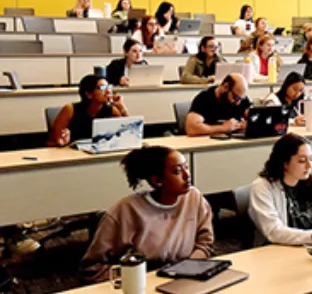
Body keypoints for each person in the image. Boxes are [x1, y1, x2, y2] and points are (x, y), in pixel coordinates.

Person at [80, 147, 214, 281]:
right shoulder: (126, 210)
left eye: (186, 167)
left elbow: (205, 244)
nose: (187, 175)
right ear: (157, 181)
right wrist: (136, 278)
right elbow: (91, 268)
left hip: (184, 277)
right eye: (177, 171)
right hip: (139, 280)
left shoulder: (194, 198)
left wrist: (186, 270)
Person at [248, 134, 312, 246]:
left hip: (310, 245)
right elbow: (273, 231)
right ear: (285, 163)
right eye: (302, 160)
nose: (309, 165)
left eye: (310, 159)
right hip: (276, 248)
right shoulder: (262, 187)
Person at [48, 75, 129, 146]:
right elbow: (50, 142)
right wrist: (62, 142)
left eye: (109, 87)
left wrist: (121, 107)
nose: (108, 91)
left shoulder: (112, 110)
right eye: (103, 88)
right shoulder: (70, 109)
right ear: (89, 94)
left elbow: (129, 133)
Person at [185, 73, 251, 136]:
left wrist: (249, 125)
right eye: (236, 98)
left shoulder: (240, 98)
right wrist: (223, 128)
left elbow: (254, 117)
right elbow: (191, 129)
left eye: (241, 99)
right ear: (226, 87)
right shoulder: (204, 98)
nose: (238, 103)